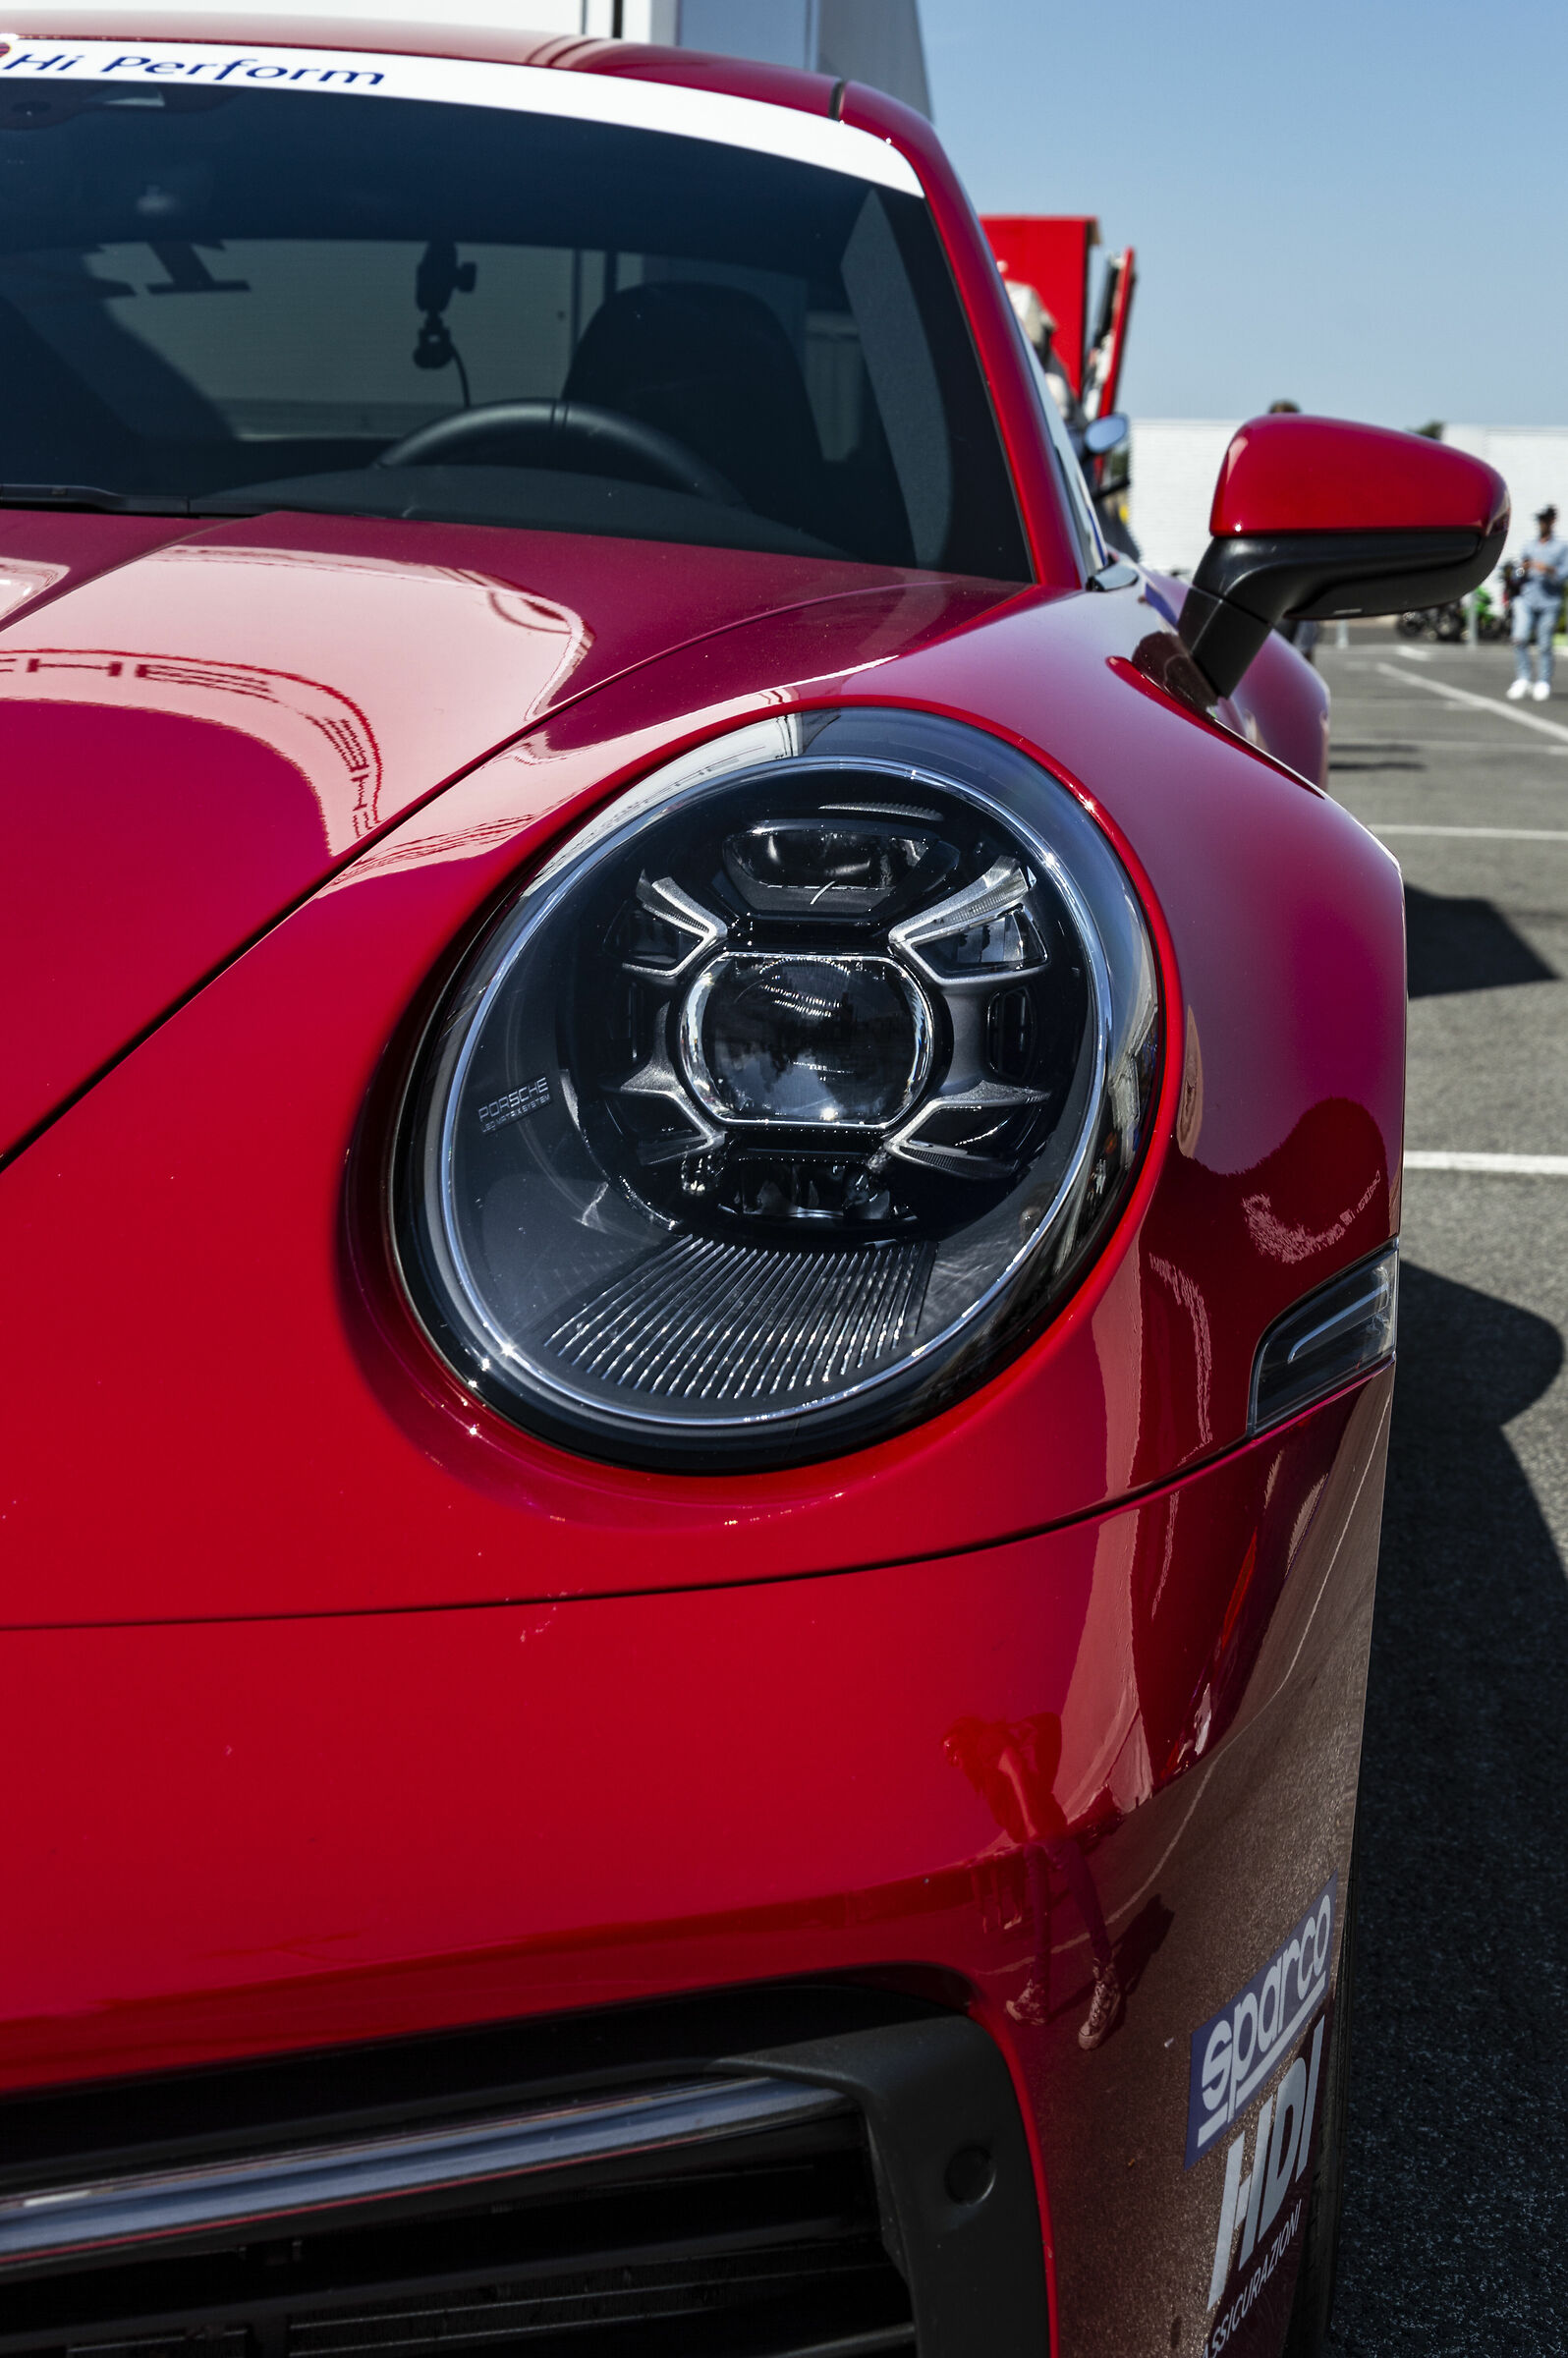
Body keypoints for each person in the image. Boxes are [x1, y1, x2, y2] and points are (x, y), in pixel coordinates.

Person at [1509, 505, 1568, 701]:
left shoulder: (1561, 548)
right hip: (1527, 598)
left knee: (1544, 644)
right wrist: (1523, 569)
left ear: (1552, 521)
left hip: (1549, 602)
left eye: (1545, 520)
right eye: (1539, 520)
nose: (1541, 524)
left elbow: (1562, 576)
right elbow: (1518, 574)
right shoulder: (1529, 546)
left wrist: (1548, 569)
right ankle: (1523, 677)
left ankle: (1543, 681)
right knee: (1520, 637)